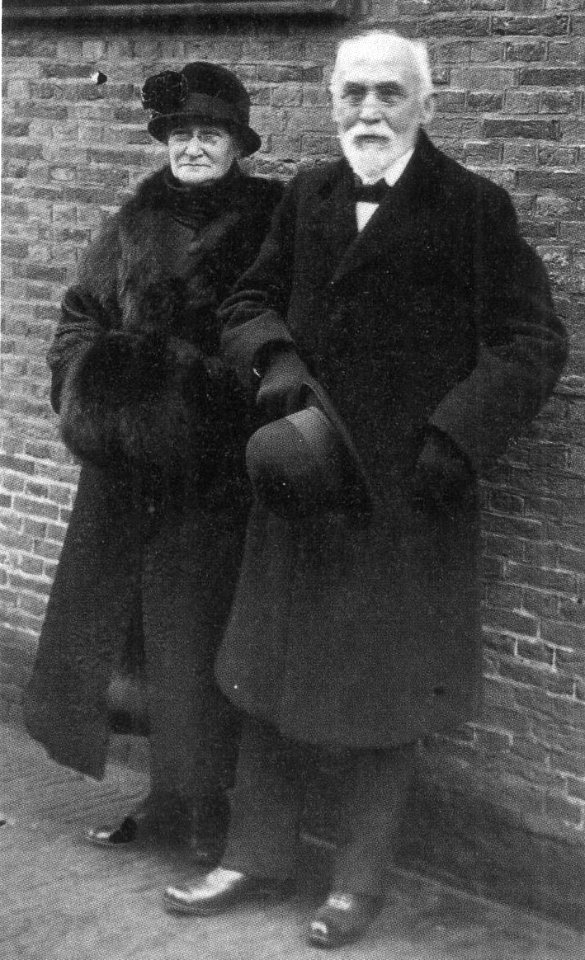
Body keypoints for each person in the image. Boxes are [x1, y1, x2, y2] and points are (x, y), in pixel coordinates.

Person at [163, 32, 568, 947]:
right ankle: (254, 853)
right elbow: (247, 301)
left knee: (386, 697)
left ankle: (358, 881)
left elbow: (530, 341)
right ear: (331, 101)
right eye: (352, 94)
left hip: (407, 498)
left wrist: (453, 439)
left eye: (389, 93)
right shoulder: (308, 193)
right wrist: (271, 361)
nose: (368, 112)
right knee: (267, 674)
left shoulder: (472, 206)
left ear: (426, 105)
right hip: (303, 477)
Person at [23, 63, 283, 864]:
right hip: (127, 478)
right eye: (180, 135)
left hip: (217, 479)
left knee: (200, 645)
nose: (192, 148)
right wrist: (92, 390)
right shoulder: (130, 225)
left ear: (237, 144)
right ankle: (164, 800)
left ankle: (210, 811)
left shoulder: (272, 223)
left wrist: (192, 392)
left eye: (209, 134)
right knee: (133, 643)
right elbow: (76, 324)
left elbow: (277, 338)